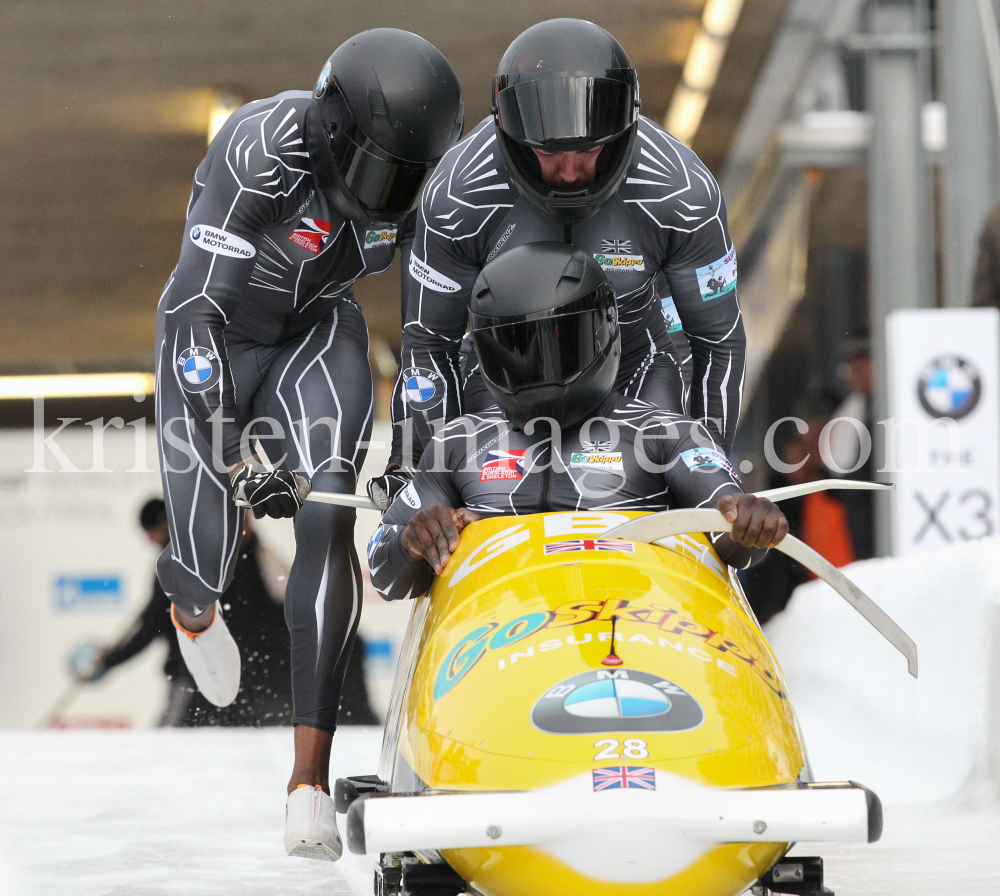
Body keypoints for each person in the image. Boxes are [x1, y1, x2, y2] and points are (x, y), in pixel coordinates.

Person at [152, 29, 463, 861]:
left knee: (327, 507)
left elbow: (431, 341)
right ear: (333, 133)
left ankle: (308, 786)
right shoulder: (259, 150)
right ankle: (191, 601)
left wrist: (414, 462)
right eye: (378, 172)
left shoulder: (434, 194)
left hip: (315, 330)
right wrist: (236, 457)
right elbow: (196, 317)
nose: (391, 195)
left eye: (410, 178)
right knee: (209, 551)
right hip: (215, 338)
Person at [373, 19, 745, 510]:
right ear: (513, 138)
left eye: (589, 151)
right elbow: (428, 342)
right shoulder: (457, 194)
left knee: (662, 469)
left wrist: (708, 469)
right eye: (548, 152)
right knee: (485, 489)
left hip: (636, 368)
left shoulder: (681, 192)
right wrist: (421, 471)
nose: (570, 172)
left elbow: (717, 341)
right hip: (503, 379)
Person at [369, 244, 784, 600]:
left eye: (557, 347)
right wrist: (412, 541)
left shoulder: (668, 435)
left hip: (638, 626)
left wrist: (748, 524)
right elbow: (384, 574)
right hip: (499, 640)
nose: (537, 370)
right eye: (514, 350)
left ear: (602, 332)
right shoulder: (458, 444)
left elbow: (728, 529)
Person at [72, 499, 307, 726]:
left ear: (161, 527)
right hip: (235, 672)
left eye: (149, 533)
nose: (149, 540)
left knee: (171, 745)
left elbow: (152, 626)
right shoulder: (215, 556)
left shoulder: (177, 563)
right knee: (231, 744)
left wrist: (111, 659)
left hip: (195, 673)